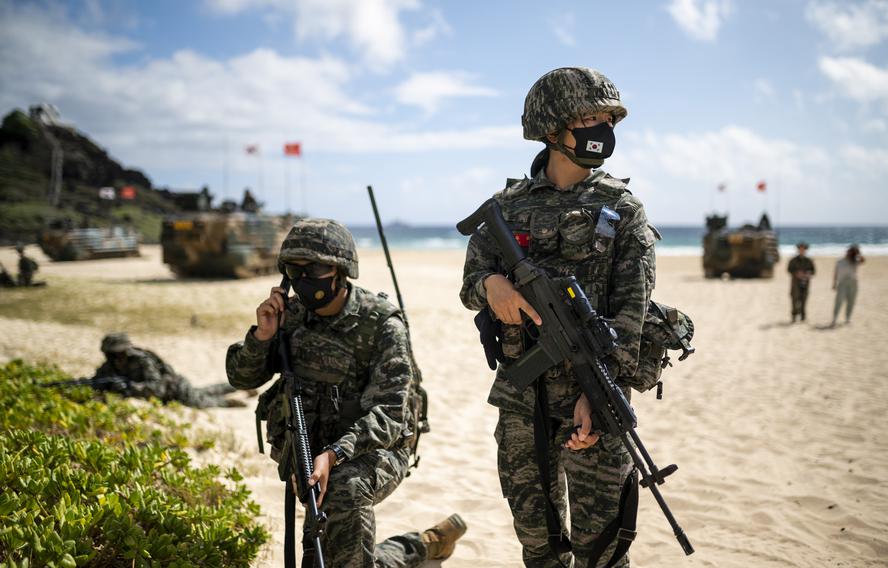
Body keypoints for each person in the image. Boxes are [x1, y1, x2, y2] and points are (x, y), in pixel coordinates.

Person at [460, 67, 657, 567]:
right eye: (587, 118)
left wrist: (598, 394)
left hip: (592, 401)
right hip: (521, 400)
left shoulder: (622, 209)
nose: (601, 129)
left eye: (607, 119)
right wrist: (492, 286)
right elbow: (470, 283)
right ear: (552, 129)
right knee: (539, 546)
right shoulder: (506, 209)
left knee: (603, 550)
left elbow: (631, 316)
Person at [225, 218, 466, 567]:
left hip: (376, 450)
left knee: (343, 492)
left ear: (340, 271)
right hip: (308, 453)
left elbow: (390, 415)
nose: (305, 279)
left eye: (316, 268)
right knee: (328, 557)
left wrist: (335, 454)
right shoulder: (288, 318)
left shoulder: (381, 324)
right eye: (295, 269)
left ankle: (418, 546)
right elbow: (240, 377)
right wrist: (262, 336)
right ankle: (423, 545)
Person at [95, 332, 244, 408]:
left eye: (116, 353)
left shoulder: (142, 360)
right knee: (203, 391)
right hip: (167, 395)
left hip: (175, 388)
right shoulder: (110, 366)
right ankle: (236, 387)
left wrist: (131, 388)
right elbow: (96, 381)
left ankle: (232, 396)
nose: (114, 357)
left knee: (199, 401)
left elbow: (157, 388)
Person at [832, 244, 865, 325]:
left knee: (851, 301)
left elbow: (863, 261)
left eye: (851, 252)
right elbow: (835, 273)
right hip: (842, 283)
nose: (849, 253)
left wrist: (858, 253)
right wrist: (834, 283)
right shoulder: (840, 261)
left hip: (853, 282)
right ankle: (834, 318)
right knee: (839, 301)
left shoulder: (855, 261)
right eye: (849, 251)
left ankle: (848, 318)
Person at [787, 242, 815, 323]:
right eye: (800, 249)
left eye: (803, 249)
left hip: (805, 284)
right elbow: (789, 270)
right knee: (794, 300)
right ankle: (794, 316)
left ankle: (803, 317)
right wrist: (796, 273)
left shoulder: (809, 260)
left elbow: (813, 271)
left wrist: (808, 274)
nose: (802, 250)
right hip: (795, 284)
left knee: (804, 300)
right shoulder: (793, 260)